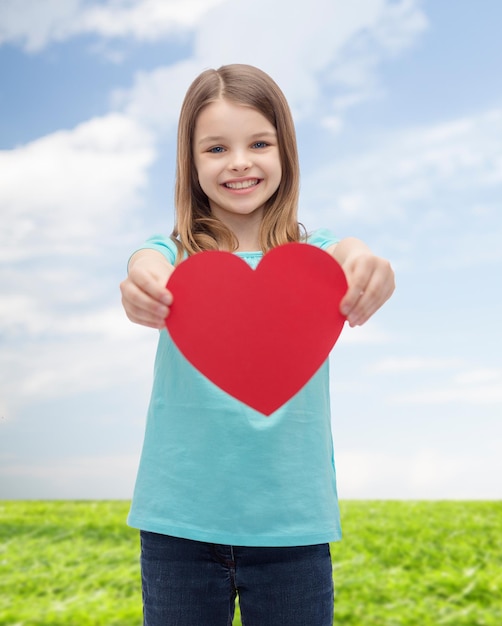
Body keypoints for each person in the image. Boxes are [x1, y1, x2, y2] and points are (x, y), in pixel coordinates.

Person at [120, 63, 395, 626]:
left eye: (259, 143)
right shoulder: (173, 256)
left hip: (292, 528)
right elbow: (143, 266)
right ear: (191, 164)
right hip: (179, 526)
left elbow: (352, 254)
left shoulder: (318, 257)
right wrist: (141, 286)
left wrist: (367, 262)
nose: (239, 161)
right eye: (216, 148)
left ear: (285, 152)